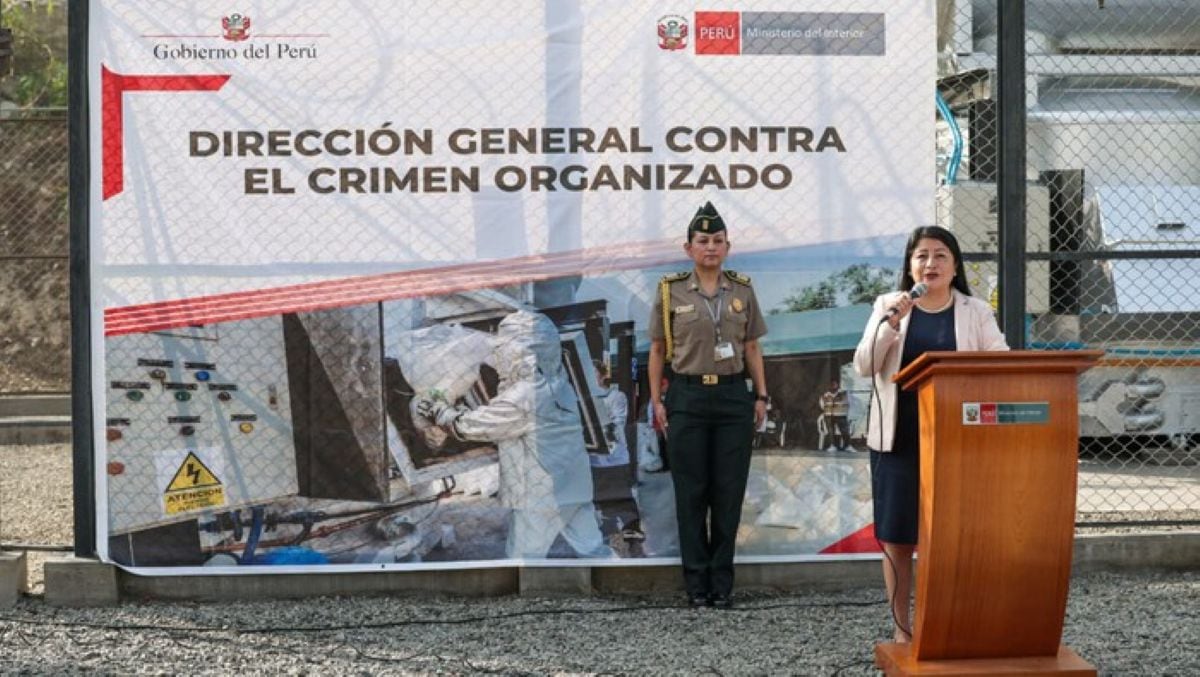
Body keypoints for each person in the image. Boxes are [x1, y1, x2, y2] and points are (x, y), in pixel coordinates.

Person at [852, 225, 1008, 643]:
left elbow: (1001, 362)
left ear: (955, 266)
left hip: (959, 441)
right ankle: (902, 630)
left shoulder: (975, 311)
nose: (930, 263)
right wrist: (891, 325)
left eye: (940, 255)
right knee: (899, 538)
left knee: (956, 538)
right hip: (898, 440)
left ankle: (953, 623)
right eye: (921, 255)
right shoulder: (889, 305)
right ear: (909, 266)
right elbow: (864, 365)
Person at [648, 201, 769, 609]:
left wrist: (761, 395)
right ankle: (696, 583)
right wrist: (657, 401)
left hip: (734, 396)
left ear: (728, 246)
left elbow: (751, 346)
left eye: (718, 240)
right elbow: (657, 349)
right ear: (689, 248)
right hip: (686, 397)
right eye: (703, 241)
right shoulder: (670, 291)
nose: (711, 247)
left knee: (728, 492)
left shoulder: (743, 289)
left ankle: (722, 583)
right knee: (691, 493)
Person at [415, 310, 611, 560]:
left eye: (502, 348)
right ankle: (616, 580)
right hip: (574, 487)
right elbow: (505, 418)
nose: (497, 356)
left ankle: (526, 598)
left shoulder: (524, 395)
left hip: (541, 497)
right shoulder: (560, 384)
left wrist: (441, 412)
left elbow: (472, 426)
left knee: (524, 559)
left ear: (519, 352)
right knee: (593, 548)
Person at [588, 359, 645, 554]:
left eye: (594, 372)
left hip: (614, 459)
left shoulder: (616, 396)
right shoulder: (583, 399)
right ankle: (604, 532)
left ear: (603, 375)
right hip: (593, 460)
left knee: (621, 495)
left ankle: (631, 529)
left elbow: (617, 426)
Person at [819, 379, 850, 451]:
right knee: (830, 431)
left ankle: (847, 446)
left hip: (840, 414)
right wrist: (826, 409)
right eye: (831, 384)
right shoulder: (825, 395)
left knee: (844, 430)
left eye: (834, 384)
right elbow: (821, 404)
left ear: (837, 385)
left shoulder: (843, 393)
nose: (833, 385)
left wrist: (844, 410)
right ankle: (832, 446)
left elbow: (849, 403)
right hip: (829, 415)